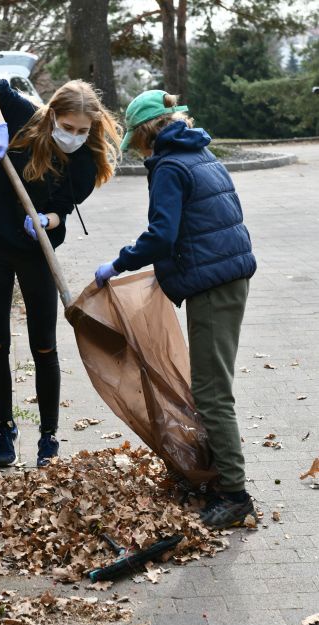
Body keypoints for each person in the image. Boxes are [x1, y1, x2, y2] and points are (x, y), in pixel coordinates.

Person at [94, 90, 257, 529]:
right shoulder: (200, 152)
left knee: (210, 391)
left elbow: (162, 234)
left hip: (213, 285)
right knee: (212, 384)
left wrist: (119, 262)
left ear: (146, 133)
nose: (140, 151)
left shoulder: (169, 166)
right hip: (228, 278)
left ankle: (235, 494)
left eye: (138, 141)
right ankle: (225, 477)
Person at [0, 74, 121, 468]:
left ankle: (48, 436)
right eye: (67, 126)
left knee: (43, 345)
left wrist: (46, 220)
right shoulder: (27, 119)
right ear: (53, 115)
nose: (72, 134)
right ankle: (5, 428)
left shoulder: (85, 163)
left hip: (37, 252)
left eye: (82, 130)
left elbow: (63, 212)